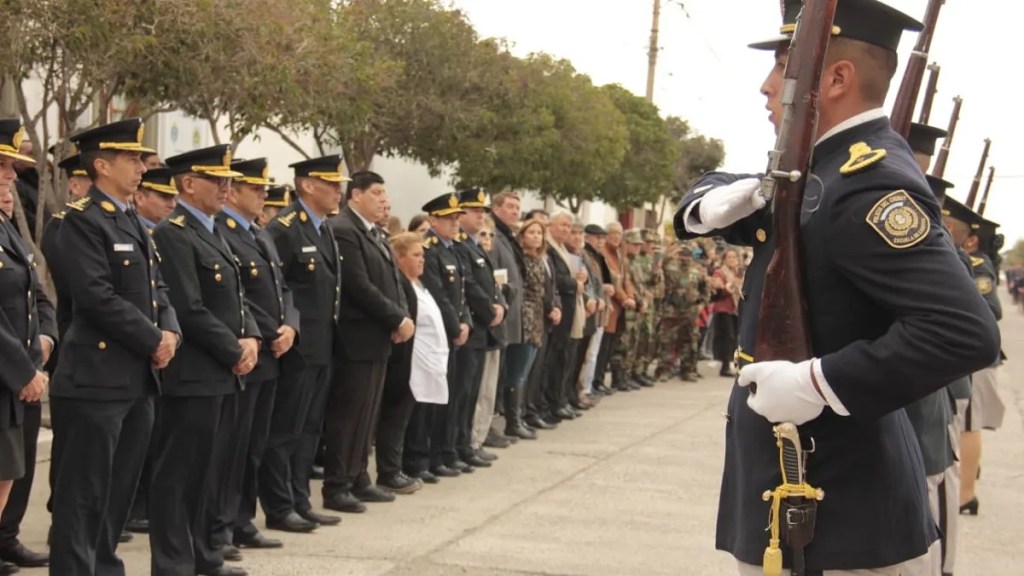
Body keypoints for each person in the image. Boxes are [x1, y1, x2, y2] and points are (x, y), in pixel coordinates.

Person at [673, 1, 1000, 573]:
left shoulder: (866, 187)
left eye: (784, 66)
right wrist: (704, 201)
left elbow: (964, 333)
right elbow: (736, 194)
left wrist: (817, 381)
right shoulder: (823, 171)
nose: (767, 86)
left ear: (838, 78)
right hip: (799, 491)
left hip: (838, 506)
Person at [150, 144, 258, 576]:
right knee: (179, 474)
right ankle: (174, 563)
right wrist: (234, 350)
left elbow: (236, 296)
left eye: (228, 180)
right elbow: (189, 308)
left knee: (211, 471)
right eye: (217, 180)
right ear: (188, 183)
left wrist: (249, 336)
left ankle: (204, 557)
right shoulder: (174, 233)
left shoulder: (214, 230)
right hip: (194, 372)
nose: (226, 187)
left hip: (223, 373)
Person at [213, 157, 299, 552]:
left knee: (254, 445)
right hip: (246, 351)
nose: (264, 194)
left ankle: (244, 519)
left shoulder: (260, 234)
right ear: (232, 191)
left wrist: (291, 325)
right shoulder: (222, 232)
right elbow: (239, 297)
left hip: (272, 353)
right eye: (256, 188)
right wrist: (268, 331)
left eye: (266, 188)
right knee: (231, 446)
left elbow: (284, 289)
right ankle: (221, 523)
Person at [262, 155, 344, 531]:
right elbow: (276, 291)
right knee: (285, 430)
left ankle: (299, 498)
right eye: (331, 183)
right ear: (308, 185)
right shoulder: (285, 228)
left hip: (322, 345)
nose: (338, 190)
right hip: (296, 349)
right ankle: (279, 506)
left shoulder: (323, 227)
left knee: (309, 427)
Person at [322, 170, 413, 511]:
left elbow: (392, 280)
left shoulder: (373, 232)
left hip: (377, 337)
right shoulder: (345, 230)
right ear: (355, 195)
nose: (383, 200)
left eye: (385, 194)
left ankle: (359, 476)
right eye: (376, 193)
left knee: (368, 413)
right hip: (356, 337)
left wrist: (400, 315)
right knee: (349, 414)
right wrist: (396, 318)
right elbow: (358, 286)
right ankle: (338, 485)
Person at [0, 119, 56, 576]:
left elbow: (35, 292)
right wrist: (23, 370)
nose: (11, 176)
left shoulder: (6, 228)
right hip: (8, 374)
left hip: (20, 371)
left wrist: (45, 338)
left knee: (9, 473)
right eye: (1, 166)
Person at [942, 197, 1004, 518]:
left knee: (968, 426)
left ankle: (966, 495)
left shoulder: (978, 265)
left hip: (976, 360)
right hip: (971, 358)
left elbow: (993, 310)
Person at [404, 193, 470, 480]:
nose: (455, 223)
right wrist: (455, 327)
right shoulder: (429, 250)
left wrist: (464, 320)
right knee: (426, 402)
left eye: (457, 218)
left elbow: (461, 294)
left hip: (452, 335)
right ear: (432, 220)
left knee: (447, 398)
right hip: (435, 336)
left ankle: (441, 453)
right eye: (449, 218)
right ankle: (420, 459)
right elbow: (437, 295)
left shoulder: (453, 249)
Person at [452, 189, 506, 467]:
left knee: (472, 392)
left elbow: (490, 283)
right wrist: (488, 310)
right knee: (461, 393)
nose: (480, 216)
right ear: (459, 214)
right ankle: (458, 446)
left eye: (483, 211)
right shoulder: (460, 245)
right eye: (474, 211)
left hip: (482, 328)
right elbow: (469, 286)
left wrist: (500, 306)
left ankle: (466, 445)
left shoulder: (475, 245)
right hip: (470, 327)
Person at [133, 165, 179, 231]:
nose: (172, 205)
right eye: (164, 197)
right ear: (139, 198)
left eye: (173, 198)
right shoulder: (130, 229)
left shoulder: (176, 231)